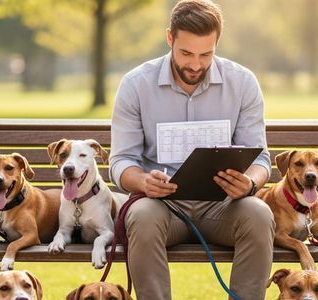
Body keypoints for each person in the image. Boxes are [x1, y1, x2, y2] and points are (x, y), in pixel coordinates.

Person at [108, 0, 274, 299]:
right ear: (170, 38)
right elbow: (121, 161)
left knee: (259, 214)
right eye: (186, 53)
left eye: (206, 54)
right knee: (142, 217)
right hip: (162, 206)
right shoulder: (135, 84)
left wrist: (250, 182)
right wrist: (143, 181)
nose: (195, 64)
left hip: (223, 206)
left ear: (217, 44)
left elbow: (260, 157)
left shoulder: (243, 83)